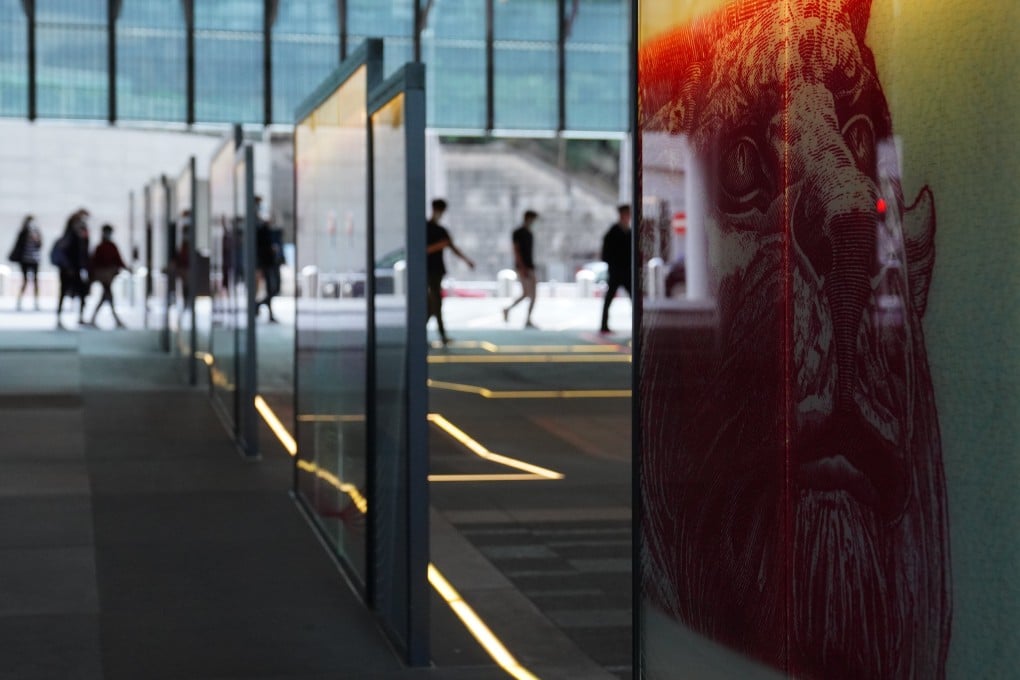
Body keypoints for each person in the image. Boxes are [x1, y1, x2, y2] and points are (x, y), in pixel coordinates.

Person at [426, 198, 474, 346]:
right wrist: (440, 245)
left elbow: (453, 248)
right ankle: (441, 335)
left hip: (436, 271)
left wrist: (467, 260)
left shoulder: (442, 231)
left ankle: (436, 335)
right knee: (434, 304)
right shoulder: (426, 228)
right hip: (428, 270)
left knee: (433, 304)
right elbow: (425, 250)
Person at [85, 224, 129, 328]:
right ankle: (116, 320)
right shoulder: (101, 247)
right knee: (108, 297)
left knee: (106, 297)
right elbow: (94, 263)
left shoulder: (110, 246)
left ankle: (94, 318)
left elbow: (118, 260)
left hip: (108, 276)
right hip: (105, 277)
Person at [54, 210, 91, 328]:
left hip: (75, 269)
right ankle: (60, 317)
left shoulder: (80, 236)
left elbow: (84, 253)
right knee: (64, 292)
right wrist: (68, 267)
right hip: (68, 269)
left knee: (81, 292)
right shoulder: (69, 237)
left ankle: (79, 316)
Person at [502, 209, 539, 328]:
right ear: (528, 218)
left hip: (529, 266)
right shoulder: (518, 233)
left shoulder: (530, 233)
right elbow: (516, 251)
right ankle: (509, 310)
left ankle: (527, 318)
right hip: (523, 267)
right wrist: (522, 267)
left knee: (531, 294)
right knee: (527, 293)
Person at [599, 204, 632, 334]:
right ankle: (604, 325)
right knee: (609, 298)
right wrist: (613, 265)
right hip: (616, 271)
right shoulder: (613, 232)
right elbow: (606, 253)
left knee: (632, 298)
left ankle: (637, 323)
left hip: (627, 271)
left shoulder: (629, 232)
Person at [254, 197, 282, 322]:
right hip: (264, 261)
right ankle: (261, 308)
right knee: (271, 288)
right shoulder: (256, 225)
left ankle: (259, 306)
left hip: (270, 261)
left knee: (274, 288)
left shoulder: (262, 223)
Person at [8, 215, 42, 311]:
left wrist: (36, 238)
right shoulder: (23, 232)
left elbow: (40, 245)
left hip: (35, 260)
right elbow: (18, 245)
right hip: (25, 260)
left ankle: (36, 302)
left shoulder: (37, 232)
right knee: (25, 281)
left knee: (35, 281)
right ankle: (19, 302)